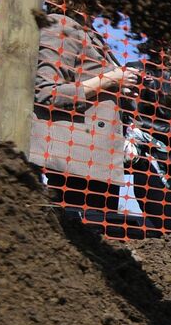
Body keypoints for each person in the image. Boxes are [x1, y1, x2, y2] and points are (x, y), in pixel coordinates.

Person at [33, 11, 139, 223]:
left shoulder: (91, 34)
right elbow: (47, 92)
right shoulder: (61, 25)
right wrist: (110, 79)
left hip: (100, 161)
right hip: (74, 161)